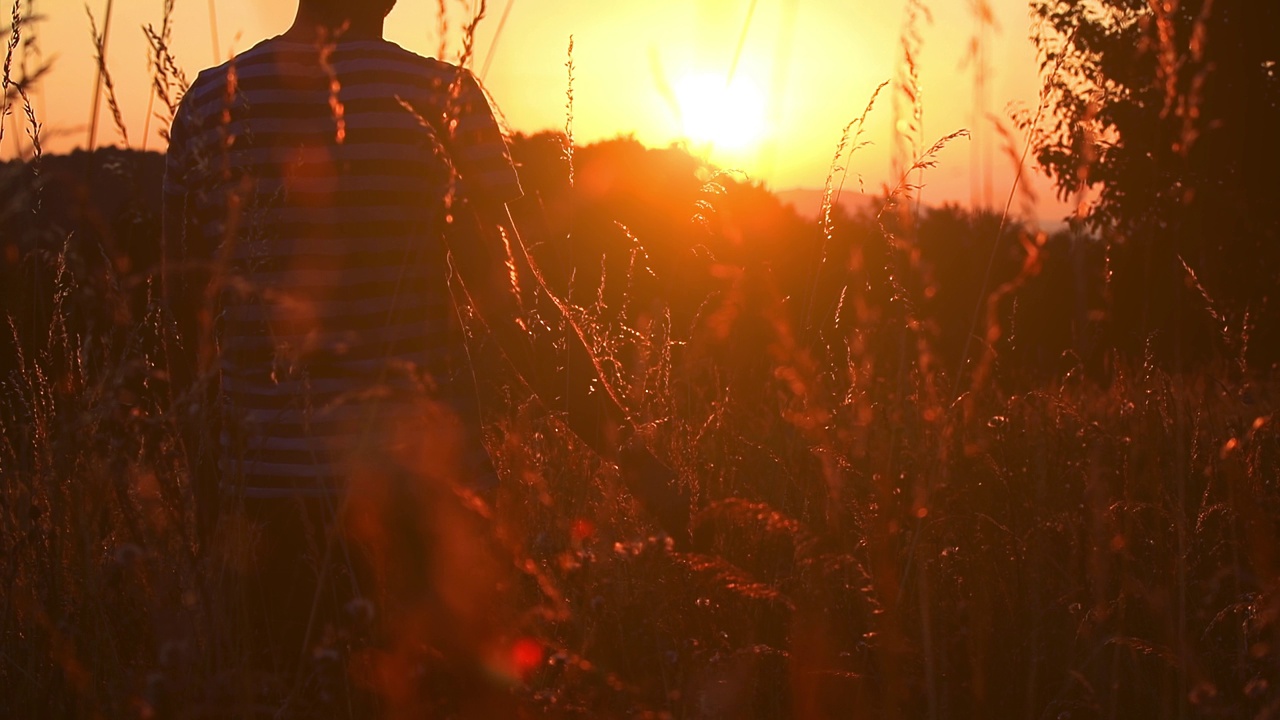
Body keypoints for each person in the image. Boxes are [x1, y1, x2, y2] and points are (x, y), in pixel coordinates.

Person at [161, 0, 523, 694]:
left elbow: (184, 323)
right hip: (424, 505)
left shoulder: (210, 101)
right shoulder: (444, 97)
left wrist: (210, 496)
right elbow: (514, 319)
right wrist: (630, 451)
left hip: (266, 508)